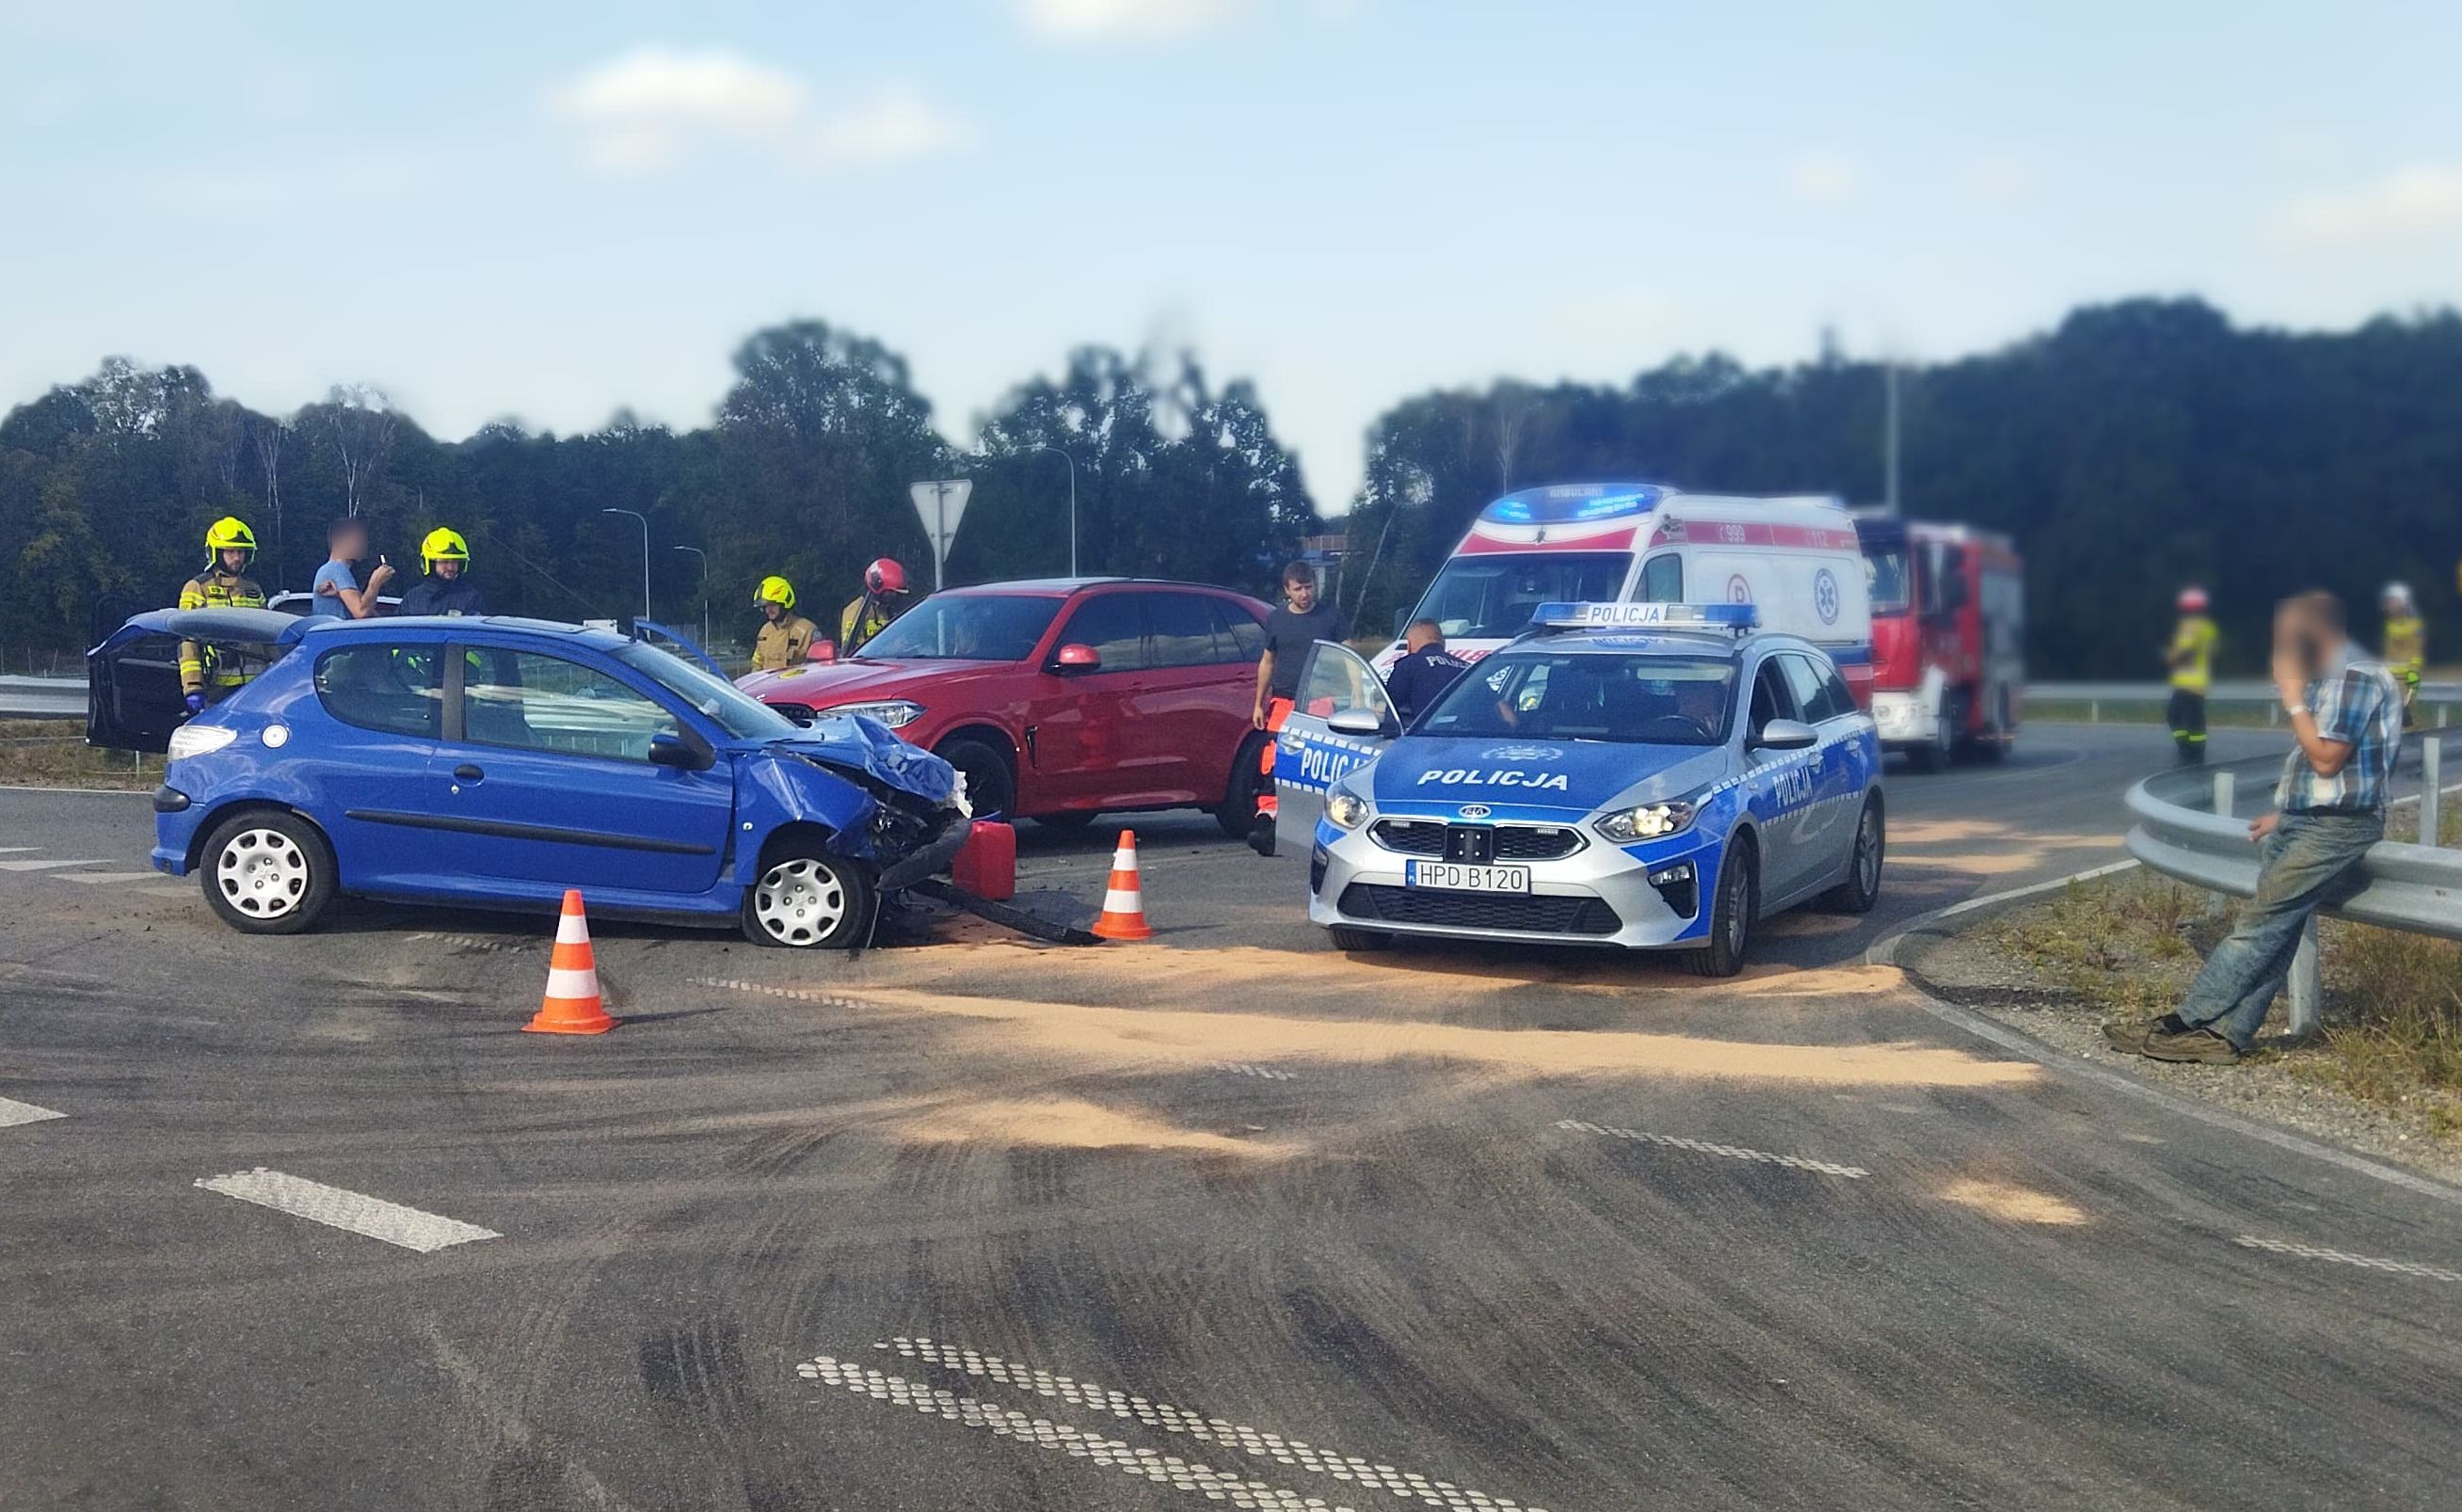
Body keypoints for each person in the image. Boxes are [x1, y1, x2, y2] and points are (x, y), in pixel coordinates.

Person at [2105, 592, 2401, 1065]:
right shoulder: (2330, 678)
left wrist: (2291, 700)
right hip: (2309, 821)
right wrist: (2287, 813)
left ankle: (2185, 1021)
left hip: (2335, 830)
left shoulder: (2355, 678)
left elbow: (2326, 760)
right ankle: (2225, 1036)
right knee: (2275, 931)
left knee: (2257, 927)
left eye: (2286, 636)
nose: (2278, 646)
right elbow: (2337, 773)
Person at [1247, 560, 1351, 852]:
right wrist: (1259, 703)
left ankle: (1323, 827)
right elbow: (1267, 662)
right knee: (1273, 761)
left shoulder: (1332, 616)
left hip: (1322, 700)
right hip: (1283, 700)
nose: (1305, 594)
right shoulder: (1277, 620)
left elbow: (1348, 658)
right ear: (1287, 590)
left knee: (1318, 763)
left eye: (1309, 587)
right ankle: (1268, 822)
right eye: (1299, 589)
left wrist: (1359, 696)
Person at [177, 516, 268, 713]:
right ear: (217, 552)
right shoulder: (197, 587)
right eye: (231, 551)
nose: (237, 558)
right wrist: (193, 687)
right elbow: (188, 642)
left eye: (241, 552)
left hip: (256, 688)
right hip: (216, 688)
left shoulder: (254, 589)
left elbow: (269, 641)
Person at [2165, 585, 2218, 766]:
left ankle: (2188, 753)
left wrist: (2171, 656)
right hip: (2199, 683)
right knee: (2194, 720)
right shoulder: (2208, 627)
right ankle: (2196, 754)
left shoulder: (2189, 627)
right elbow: (2211, 652)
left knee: (2175, 717)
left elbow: (2182, 652)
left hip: (2187, 682)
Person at [1383, 618, 1469, 724]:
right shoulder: (1468, 668)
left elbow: (1390, 707)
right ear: (1443, 643)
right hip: (1467, 734)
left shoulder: (1409, 665)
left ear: (1409, 646)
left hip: (1427, 735)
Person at [310, 517, 395, 620]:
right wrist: (376, 581)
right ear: (340, 542)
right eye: (359, 540)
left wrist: (339, 595)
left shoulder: (326, 570)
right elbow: (361, 612)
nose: (364, 546)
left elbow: (364, 611)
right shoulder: (338, 569)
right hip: (339, 635)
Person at [396, 527, 488, 616]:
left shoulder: (471, 598)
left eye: (454, 562)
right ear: (431, 564)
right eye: (444, 561)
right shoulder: (413, 598)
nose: (450, 567)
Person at [839, 558, 909, 657]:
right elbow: (852, 649)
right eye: (890, 592)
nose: (893, 596)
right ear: (877, 585)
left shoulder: (888, 610)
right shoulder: (855, 610)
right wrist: (890, 649)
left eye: (895, 593)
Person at [2381, 581, 2424, 735]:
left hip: (2405, 678)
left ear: (2403, 602)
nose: (2389, 604)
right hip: (2389, 676)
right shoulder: (2390, 625)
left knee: (2407, 713)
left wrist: (2413, 671)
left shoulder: (2414, 625)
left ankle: (2414, 746)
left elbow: (2417, 650)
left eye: (2393, 601)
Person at [751, 575, 819, 670]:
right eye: (765, 607)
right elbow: (757, 663)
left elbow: (819, 668)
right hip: (768, 684)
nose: (768, 610)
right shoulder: (764, 631)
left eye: (772, 605)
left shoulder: (807, 631)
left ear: (785, 603)